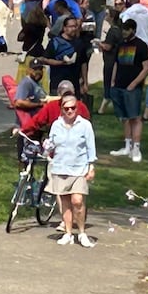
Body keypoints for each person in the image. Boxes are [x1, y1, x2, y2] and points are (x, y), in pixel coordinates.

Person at [45, 95, 97, 248]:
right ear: (61, 109)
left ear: (77, 108)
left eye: (73, 108)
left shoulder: (85, 125)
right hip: (60, 168)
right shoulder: (56, 125)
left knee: (77, 201)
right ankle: (68, 233)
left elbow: (90, 147)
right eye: (66, 108)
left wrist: (91, 167)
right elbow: (52, 145)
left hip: (79, 169)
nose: (70, 111)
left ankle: (81, 232)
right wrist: (48, 147)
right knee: (66, 203)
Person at [105, 23, 148, 162]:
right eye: (123, 30)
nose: (124, 32)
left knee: (135, 117)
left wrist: (135, 83)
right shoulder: (120, 44)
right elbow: (117, 64)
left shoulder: (141, 45)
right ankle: (127, 146)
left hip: (132, 88)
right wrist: (113, 81)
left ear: (133, 30)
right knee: (124, 118)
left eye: (127, 30)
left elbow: (147, 67)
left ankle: (136, 148)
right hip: (118, 86)